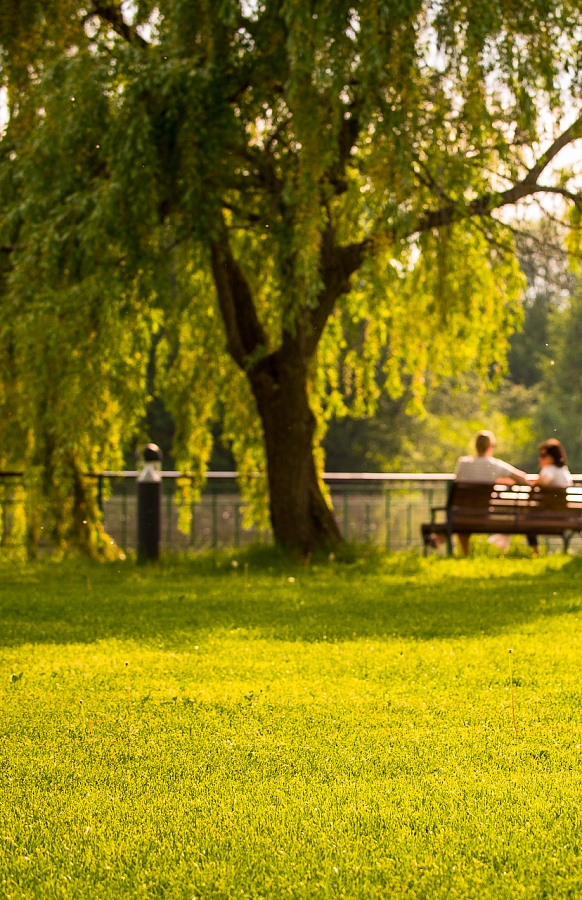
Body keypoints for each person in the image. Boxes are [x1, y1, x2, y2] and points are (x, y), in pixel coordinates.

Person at [451, 430, 530, 555]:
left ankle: (465, 554)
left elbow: (457, 481)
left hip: (462, 514)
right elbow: (523, 480)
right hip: (484, 514)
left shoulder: (463, 463)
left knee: (464, 515)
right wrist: (504, 480)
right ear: (490, 446)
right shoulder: (495, 465)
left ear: (475, 446)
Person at [526, 439, 572, 556]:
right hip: (563, 517)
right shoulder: (564, 471)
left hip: (545, 516)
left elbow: (545, 480)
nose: (540, 458)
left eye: (543, 455)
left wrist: (534, 483)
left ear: (552, 457)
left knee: (526, 518)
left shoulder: (549, 469)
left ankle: (535, 553)